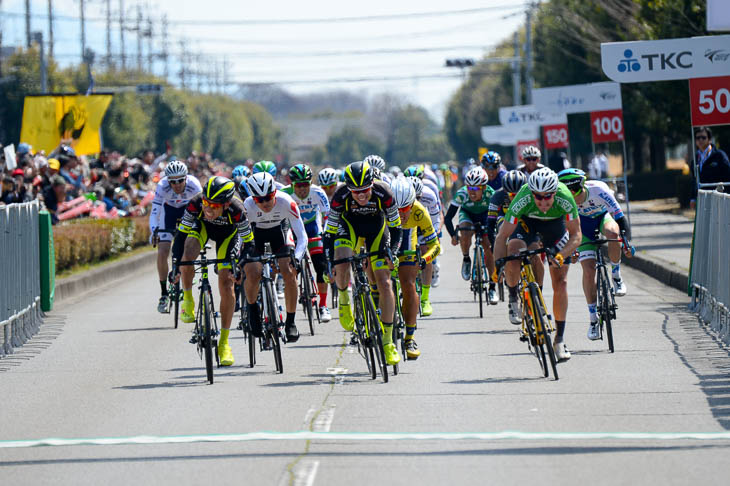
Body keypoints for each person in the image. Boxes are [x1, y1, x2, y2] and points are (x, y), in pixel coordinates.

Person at [493, 168, 581, 362]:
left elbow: (576, 235)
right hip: (527, 224)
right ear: (531, 193)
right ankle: (514, 297)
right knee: (514, 252)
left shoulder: (565, 197)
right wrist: (497, 267)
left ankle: (559, 339)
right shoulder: (523, 197)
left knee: (561, 281)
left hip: (555, 227)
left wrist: (561, 255)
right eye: (538, 197)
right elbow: (502, 237)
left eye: (547, 197)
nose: (542, 202)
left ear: (555, 193)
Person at [323, 160, 403, 365]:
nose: (360, 195)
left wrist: (391, 252)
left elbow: (396, 228)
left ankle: (387, 341)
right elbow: (330, 232)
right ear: (348, 189)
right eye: (355, 191)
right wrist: (328, 261)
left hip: (377, 229)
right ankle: (343, 298)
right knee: (341, 260)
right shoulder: (340, 196)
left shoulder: (384, 192)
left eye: (365, 190)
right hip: (349, 227)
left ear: (372, 184)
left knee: (385, 282)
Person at [172, 176, 253, 367]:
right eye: (206, 204)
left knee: (226, 283)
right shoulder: (195, 203)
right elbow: (181, 235)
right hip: (202, 229)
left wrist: (239, 267)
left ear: (225, 204)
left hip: (229, 236)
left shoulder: (238, 210)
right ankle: (188, 299)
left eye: (214, 206)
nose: (207, 209)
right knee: (188, 253)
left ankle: (224, 343)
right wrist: (176, 265)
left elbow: (249, 243)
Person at [557, 168, 634, 341]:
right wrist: (571, 251)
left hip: (601, 217)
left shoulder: (599, 190)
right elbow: (563, 230)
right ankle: (593, 320)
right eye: (566, 190)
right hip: (581, 227)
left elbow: (620, 219)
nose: (571, 195)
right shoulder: (561, 200)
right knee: (589, 270)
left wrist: (627, 242)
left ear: (582, 186)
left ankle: (616, 276)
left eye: (574, 190)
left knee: (613, 235)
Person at [243, 172, 308, 343]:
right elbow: (239, 236)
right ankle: (252, 311)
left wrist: (298, 257)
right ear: (253, 198)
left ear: (274, 192)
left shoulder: (286, 201)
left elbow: (302, 236)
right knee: (252, 272)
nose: (265, 203)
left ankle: (291, 322)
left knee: (288, 270)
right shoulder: (247, 206)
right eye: (259, 200)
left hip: (280, 231)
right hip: (256, 234)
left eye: (268, 197)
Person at [392, 177, 440, 360]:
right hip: (386, 237)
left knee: (409, 285)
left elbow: (435, 246)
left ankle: (409, 337)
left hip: (406, 241)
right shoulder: (381, 208)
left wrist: (424, 260)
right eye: (397, 210)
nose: (402, 214)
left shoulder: (419, 211)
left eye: (406, 209)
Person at [149, 160, 202, 313]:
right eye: (173, 182)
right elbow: (155, 211)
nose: (177, 184)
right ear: (168, 181)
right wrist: (154, 231)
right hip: (169, 212)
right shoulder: (162, 186)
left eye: (180, 180)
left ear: (186, 178)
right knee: (163, 250)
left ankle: (184, 272)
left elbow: (202, 209)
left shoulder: (194, 184)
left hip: (188, 210)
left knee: (188, 247)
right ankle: (164, 294)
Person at [282, 164, 332, 322]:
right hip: (292, 229)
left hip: (312, 228)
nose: (303, 189)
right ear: (292, 185)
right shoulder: (284, 194)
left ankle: (323, 305)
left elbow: (327, 216)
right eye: (299, 185)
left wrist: (326, 235)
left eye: (306, 185)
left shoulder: (318, 192)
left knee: (321, 266)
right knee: (291, 267)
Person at [443, 167, 498, 304]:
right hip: (467, 214)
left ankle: (492, 287)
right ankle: (466, 258)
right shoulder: (462, 194)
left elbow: (496, 218)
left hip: (486, 215)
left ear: (484, 187)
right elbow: (448, 218)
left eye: (476, 189)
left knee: (488, 247)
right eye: (469, 188)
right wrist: (453, 236)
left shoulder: (492, 195)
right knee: (465, 231)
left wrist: (493, 236)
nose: (472, 192)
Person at [408, 175, 442, 298]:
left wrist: (435, 234)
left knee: (426, 252)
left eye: (418, 198)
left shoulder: (429, 195)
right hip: (407, 226)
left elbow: (435, 219)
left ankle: (425, 297)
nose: (415, 201)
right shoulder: (398, 197)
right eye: (413, 198)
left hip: (423, 223)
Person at [485, 170, 527, 248]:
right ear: (505, 191)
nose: (515, 198)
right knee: (503, 228)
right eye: (512, 194)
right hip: (505, 217)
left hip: (523, 218)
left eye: (518, 194)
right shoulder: (497, 196)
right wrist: (494, 246)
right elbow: (490, 223)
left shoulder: (530, 194)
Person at [694, 126, 730, 195]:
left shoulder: (720, 155)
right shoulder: (695, 158)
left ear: (709, 139)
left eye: (703, 137)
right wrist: (693, 198)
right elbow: (694, 181)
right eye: (698, 138)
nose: (700, 140)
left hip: (719, 198)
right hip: (702, 199)